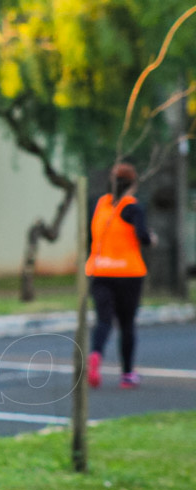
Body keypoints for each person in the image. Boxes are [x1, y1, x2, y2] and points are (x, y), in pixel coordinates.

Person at [85, 162, 157, 389]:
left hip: (100, 271)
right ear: (132, 185)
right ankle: (127, 375)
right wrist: (151, 239)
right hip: (128, 273)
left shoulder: (100, 205)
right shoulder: (133, 208)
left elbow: (92, 235)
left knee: (103, 320)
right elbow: (142, 236)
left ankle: (95, 355)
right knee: (126, 324)